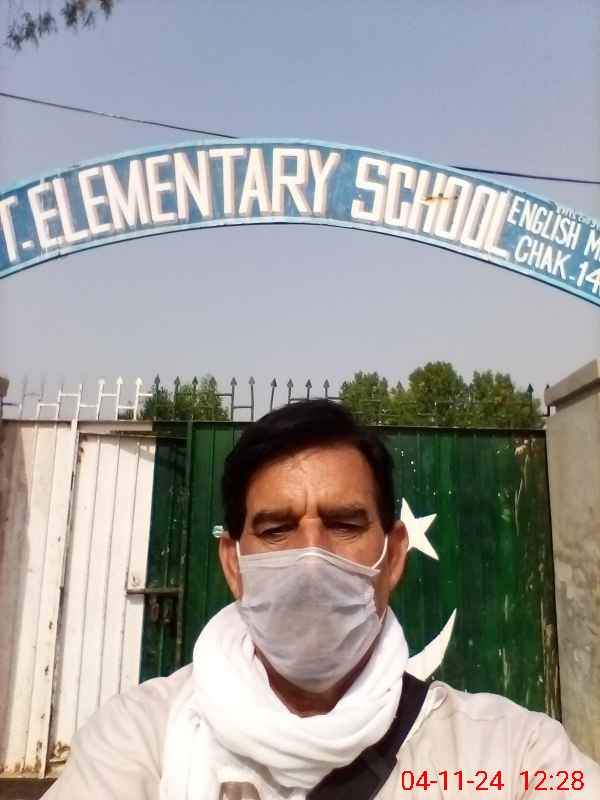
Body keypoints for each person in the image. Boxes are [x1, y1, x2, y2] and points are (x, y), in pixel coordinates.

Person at [44, 399, 600, 799]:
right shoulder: (139, 741)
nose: (311, 560)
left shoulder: (507, 756)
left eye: (344, 524)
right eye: (276, 529)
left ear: (394, 555)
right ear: (233, 563)